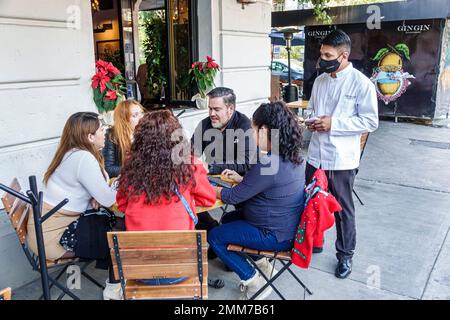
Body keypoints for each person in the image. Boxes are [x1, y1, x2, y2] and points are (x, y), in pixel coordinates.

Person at [208, 101, 305, 300]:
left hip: (272, 234)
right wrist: (242, 179)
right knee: (228, 220)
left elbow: (233, 196)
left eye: (253, 128)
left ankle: (253, 281)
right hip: (283, 226)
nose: (251, 133)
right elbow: (269, 184)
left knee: (215, 236)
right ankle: (264, 265)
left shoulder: (269, 163)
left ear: (265, 130)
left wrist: (207, 187)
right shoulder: (288, 155)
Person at [305, 29, 378, 279]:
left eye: (328, 55)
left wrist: (334, 124)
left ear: (344, 55)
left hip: (341, 158)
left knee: (342, 209)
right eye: (321, 53)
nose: (322, 58)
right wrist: (311, 121)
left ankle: (345, 255)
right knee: (311, 201)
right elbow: (311, 109)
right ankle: (314, 242)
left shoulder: (361, 83)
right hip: (316, 155)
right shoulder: (320, 80)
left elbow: (370, 121)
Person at [26, 112, 120, 299]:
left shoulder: (73, 153)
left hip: (48, 229)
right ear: (89, 137)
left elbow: (100, 192)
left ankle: (115, 283)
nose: (105, 132)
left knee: (111, 224)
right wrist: (116, 186)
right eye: (102, 129)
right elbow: (110, 200)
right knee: (117, 234)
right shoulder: (83, 158)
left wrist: (95, 195)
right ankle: (115, 287)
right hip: (52, 238)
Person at [116, 110, 216, 231]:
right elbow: (208, 198)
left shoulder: (131, 166)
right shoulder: (189, 165)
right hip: (180, 244)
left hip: (138, 246)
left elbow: (122, 205)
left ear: (140, 138)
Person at [191, 87, 256, 236]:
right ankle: (210, 228)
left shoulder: (243, 124)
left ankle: (225, 238)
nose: (212, 114)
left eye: (217, 109)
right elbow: (190, 152)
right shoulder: (205, 124)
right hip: (215, 179)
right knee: (188, 196)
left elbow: (246, 163)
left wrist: (212, 167)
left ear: (230, 109)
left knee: (240, 215)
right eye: (210, 109)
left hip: (241, 181)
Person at [102, 100, 145, 178]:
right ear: (124, 120)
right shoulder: (112, 136)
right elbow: (108, 169)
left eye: (141, 113)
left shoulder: (146, 133)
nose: (141, 118)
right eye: (135, 115)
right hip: (125, 180)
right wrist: (135, 170)